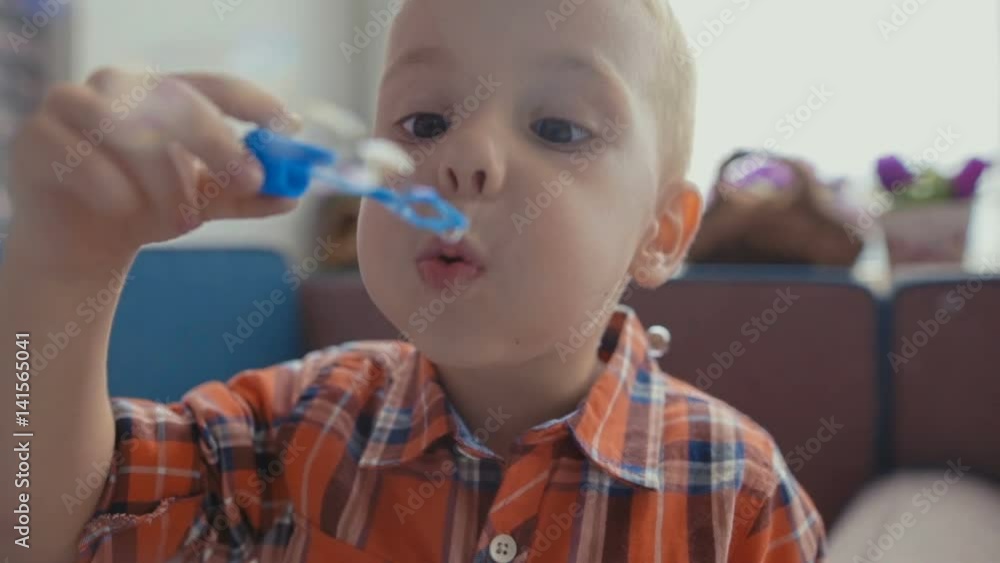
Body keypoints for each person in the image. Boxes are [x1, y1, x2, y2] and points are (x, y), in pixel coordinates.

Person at [0, 0, 826, 560]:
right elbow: (37, 527)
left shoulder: (738, 497)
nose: (464, 155)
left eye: (557, 127)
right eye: (425, 121)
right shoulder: (288, 430)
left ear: (661, 231)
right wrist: (62, 261)